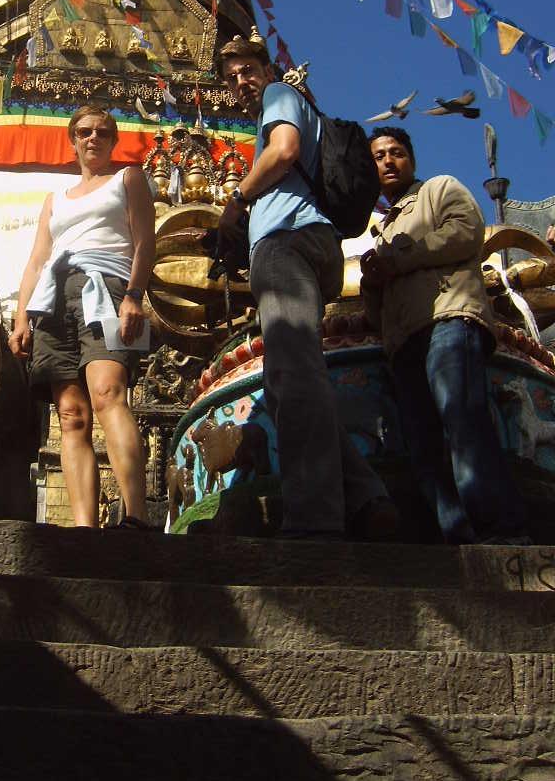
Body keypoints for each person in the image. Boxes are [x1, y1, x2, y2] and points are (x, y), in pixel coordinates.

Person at [218, 34, 395, 540]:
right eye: (231, 79)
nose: (241, 83)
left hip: (286, 242)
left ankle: (314, 522)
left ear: (266, 68)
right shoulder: (290, 104)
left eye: (247, 70)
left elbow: (284, 149)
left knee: (293, 377)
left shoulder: (279, 96)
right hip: (313, 246)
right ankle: (365, 497)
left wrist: (238, 198)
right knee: (284, 383)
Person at [361, 128, 530, 545]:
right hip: (403, 342)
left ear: (412, 160)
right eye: (378, 156)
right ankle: (457, 538)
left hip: (448, 318)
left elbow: (465, 232)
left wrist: (397, 257)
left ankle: (502, 532)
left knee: (462, 420)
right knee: (422, 446)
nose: (387, 161)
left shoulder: (440, 189)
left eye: (396, 152)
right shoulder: (380, 229)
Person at [9, 105, 156, 530]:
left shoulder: (128, 179)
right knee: (71, 413)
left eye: (103, 133)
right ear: (73, 140)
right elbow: (38, 259)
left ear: (113, 141)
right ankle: (83, 529)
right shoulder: (54, 199)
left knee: (109, 392)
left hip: (107, 289)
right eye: (85, 132)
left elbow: (145, 242)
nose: (94, 138)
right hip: (53, 297)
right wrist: (22, 317)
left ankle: (137, 516)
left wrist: (133, 295)